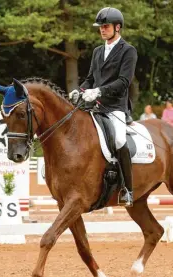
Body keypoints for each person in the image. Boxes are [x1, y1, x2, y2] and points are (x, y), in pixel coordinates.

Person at [68, 7, 137, 207]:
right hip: (94, 106)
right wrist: (79, 91)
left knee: (118, 139)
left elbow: (124, 81)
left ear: (117, 27)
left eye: (105, 26)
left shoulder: (128, 51)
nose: (102, 30)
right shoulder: (98, 51)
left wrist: (99, 92)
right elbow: (90, 78)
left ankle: (127, 189)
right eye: (100, 27)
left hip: (115, 106)